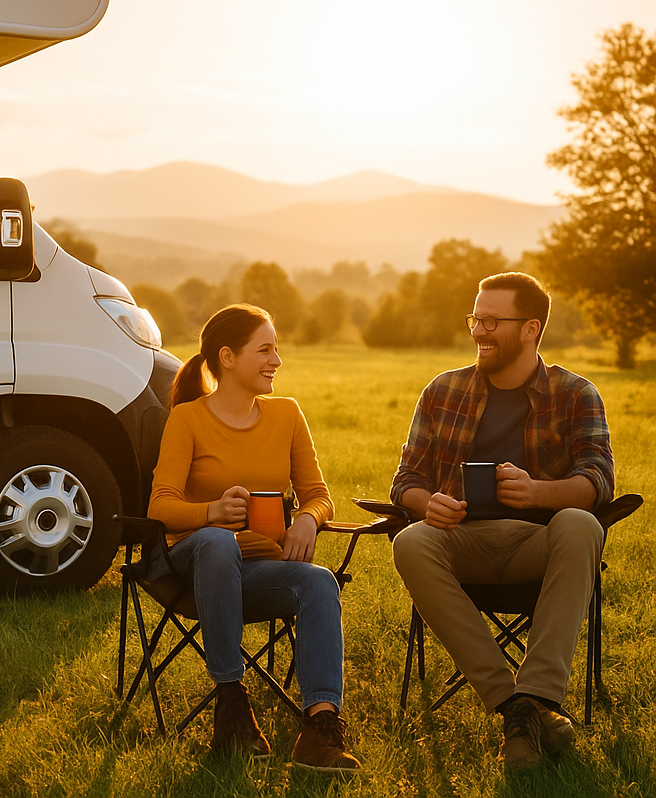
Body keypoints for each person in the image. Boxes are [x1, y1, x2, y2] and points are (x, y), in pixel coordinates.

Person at [390, 272, 615, 770]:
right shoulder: (442, 390)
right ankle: (520, 705)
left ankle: (532, 698)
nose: (479, 331)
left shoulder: (576, 393)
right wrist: (428, 504)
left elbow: (598, 480)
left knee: (581, 524)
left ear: (531, 328)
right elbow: (405, 479)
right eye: (476, 318)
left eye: (492, 321)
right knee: (410, 541)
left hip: (539, 545)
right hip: (459, 543)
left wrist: (538, 491)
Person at [148, 303, 359, 772]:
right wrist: (213, 512)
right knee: (219, 541)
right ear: (227, 357)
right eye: (265, 350)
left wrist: (308, 519)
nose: (277, 361)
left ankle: (321, 729)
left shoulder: (286, 414)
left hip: (257, 566)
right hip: (191, 562)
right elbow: (159, 507)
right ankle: (232, 704)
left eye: (277, 349)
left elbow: (318, 494)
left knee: (319, 581)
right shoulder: (188, 419)